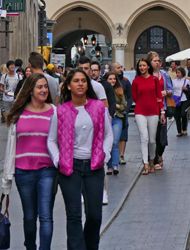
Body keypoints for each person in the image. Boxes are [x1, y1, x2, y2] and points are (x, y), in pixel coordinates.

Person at [48, 68, 113, 250]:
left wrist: (105, 155)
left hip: (94, 167)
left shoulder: (99, 107)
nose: (80, 84)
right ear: (68, 85)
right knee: (74, 215)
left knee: (94, 215)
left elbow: (108, 135)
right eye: (76, 81)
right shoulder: (61, 111)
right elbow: (52, 140)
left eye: (83, 81)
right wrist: (58, 159)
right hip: (70, 167)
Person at [2, 74, 57, 250]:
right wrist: (6, 179)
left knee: (45, 215)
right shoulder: (18, 114)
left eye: (45, 86)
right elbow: (11, 146)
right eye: (40, 87)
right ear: (30, 91)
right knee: (29, 216)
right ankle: (30, 247)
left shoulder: (54, 112)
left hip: (48, 170)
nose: (44, 90)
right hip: (23, 171)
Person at [131, 57, 165, 174]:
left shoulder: (154, 79)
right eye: (140, 66)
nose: (142, 68)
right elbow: (134, 97)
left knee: (152, 140)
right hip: (140, 111)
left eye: (144, 65)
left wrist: (162, 112)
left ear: (148, 67)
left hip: (153, 112)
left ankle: (151, 161)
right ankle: (145, 163)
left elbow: (159, 97)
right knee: (144, 138)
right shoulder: (136, 81)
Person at [147, 52, 172, 170]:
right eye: (154, 61)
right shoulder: (146, 76)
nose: (157, 63)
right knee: (153, 136)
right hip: (150, 109)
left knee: (162, 136)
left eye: (158, 61)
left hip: (163, 108)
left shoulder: (164, 75)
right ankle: (154, 159)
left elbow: (171, 90)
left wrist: (166, 92)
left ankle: (159, 153)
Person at [106, 72, 126, 176]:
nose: (112, 81)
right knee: (108, 143)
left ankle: (115, 166)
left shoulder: (119, 90)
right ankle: (109, 167)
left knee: (115, 142)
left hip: (117, 118)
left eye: (114, 79)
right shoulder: (103, 90)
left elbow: (124, 105)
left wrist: (116, 106)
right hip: (106, 119)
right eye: (110, 79)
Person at [110, 63, 131, 166]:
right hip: (109, 115)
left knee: (122, 135)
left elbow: (130, 97)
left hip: (121, 113)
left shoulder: (125, 82)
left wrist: (126, 110)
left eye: (121, 67)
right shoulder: (106, 84)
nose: (120, 69)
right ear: (112, 70)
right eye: (118, 68)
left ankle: (121, 155)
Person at [172, 67, 190, 136]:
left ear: (182, 73)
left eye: (179, 73)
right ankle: (179, 131)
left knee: (183, 114)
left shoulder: (187, 81)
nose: (177, 74)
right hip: (176, 99)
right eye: (177, 72)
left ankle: (184, 129)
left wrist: (186, 90)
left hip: (184, 99)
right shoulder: (173, 81)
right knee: (177, 115)